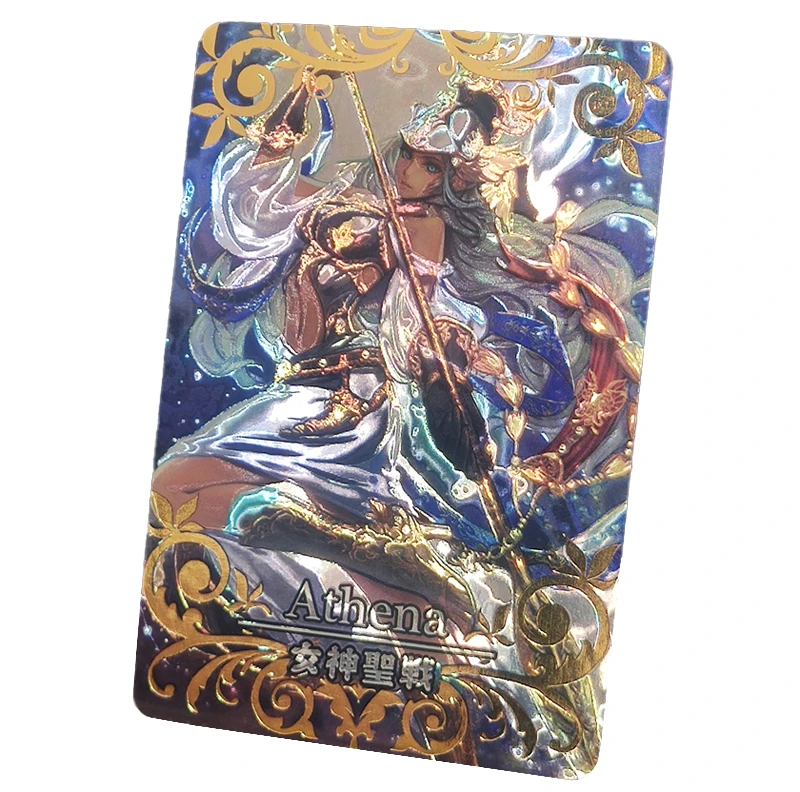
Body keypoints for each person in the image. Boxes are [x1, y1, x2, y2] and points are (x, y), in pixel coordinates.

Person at [151, 70, 646, 564]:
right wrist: (295, 104)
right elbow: (256, 202)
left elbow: (417, 316)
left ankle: (361, 547)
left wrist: (441, 369)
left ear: (451, 179)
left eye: (429, 166)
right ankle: (365, 551)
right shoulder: (347, 197)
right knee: (181, 494)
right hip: (301, 378)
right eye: (408, 153)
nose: (408, 171)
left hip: (349, 396)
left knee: (177, 484)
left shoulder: (423, 228)